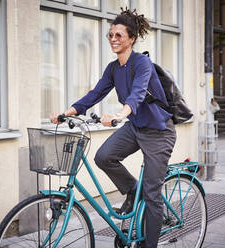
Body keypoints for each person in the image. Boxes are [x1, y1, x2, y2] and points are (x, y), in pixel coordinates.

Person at [50, 8, 176, 248]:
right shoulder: (113, 68)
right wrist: (66, 113)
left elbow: (138, 94)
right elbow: (95, 93)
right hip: (137, 127)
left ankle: (149, 245)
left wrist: (120, 114)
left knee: (151, 195)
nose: (113, 39)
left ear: (131, 38)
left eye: (118, 35)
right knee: (104, 157)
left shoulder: (142, 63)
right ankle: (131, 190)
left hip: (159, 132)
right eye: (110, 35)